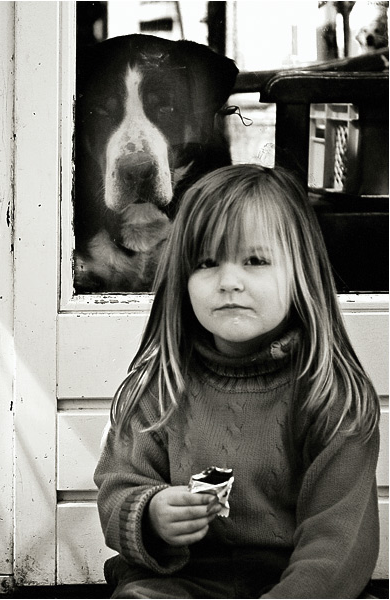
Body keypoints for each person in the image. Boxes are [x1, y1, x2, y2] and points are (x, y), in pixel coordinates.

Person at [94, 164, 380, 599]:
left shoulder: (331, 396)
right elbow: (119, 486)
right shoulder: (159, 384)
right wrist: (150, 513)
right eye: (207, 262)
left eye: (255, 261)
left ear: (300, 272)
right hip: (181, 580)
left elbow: (338, 543)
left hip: (294, 584)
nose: (229, 282)